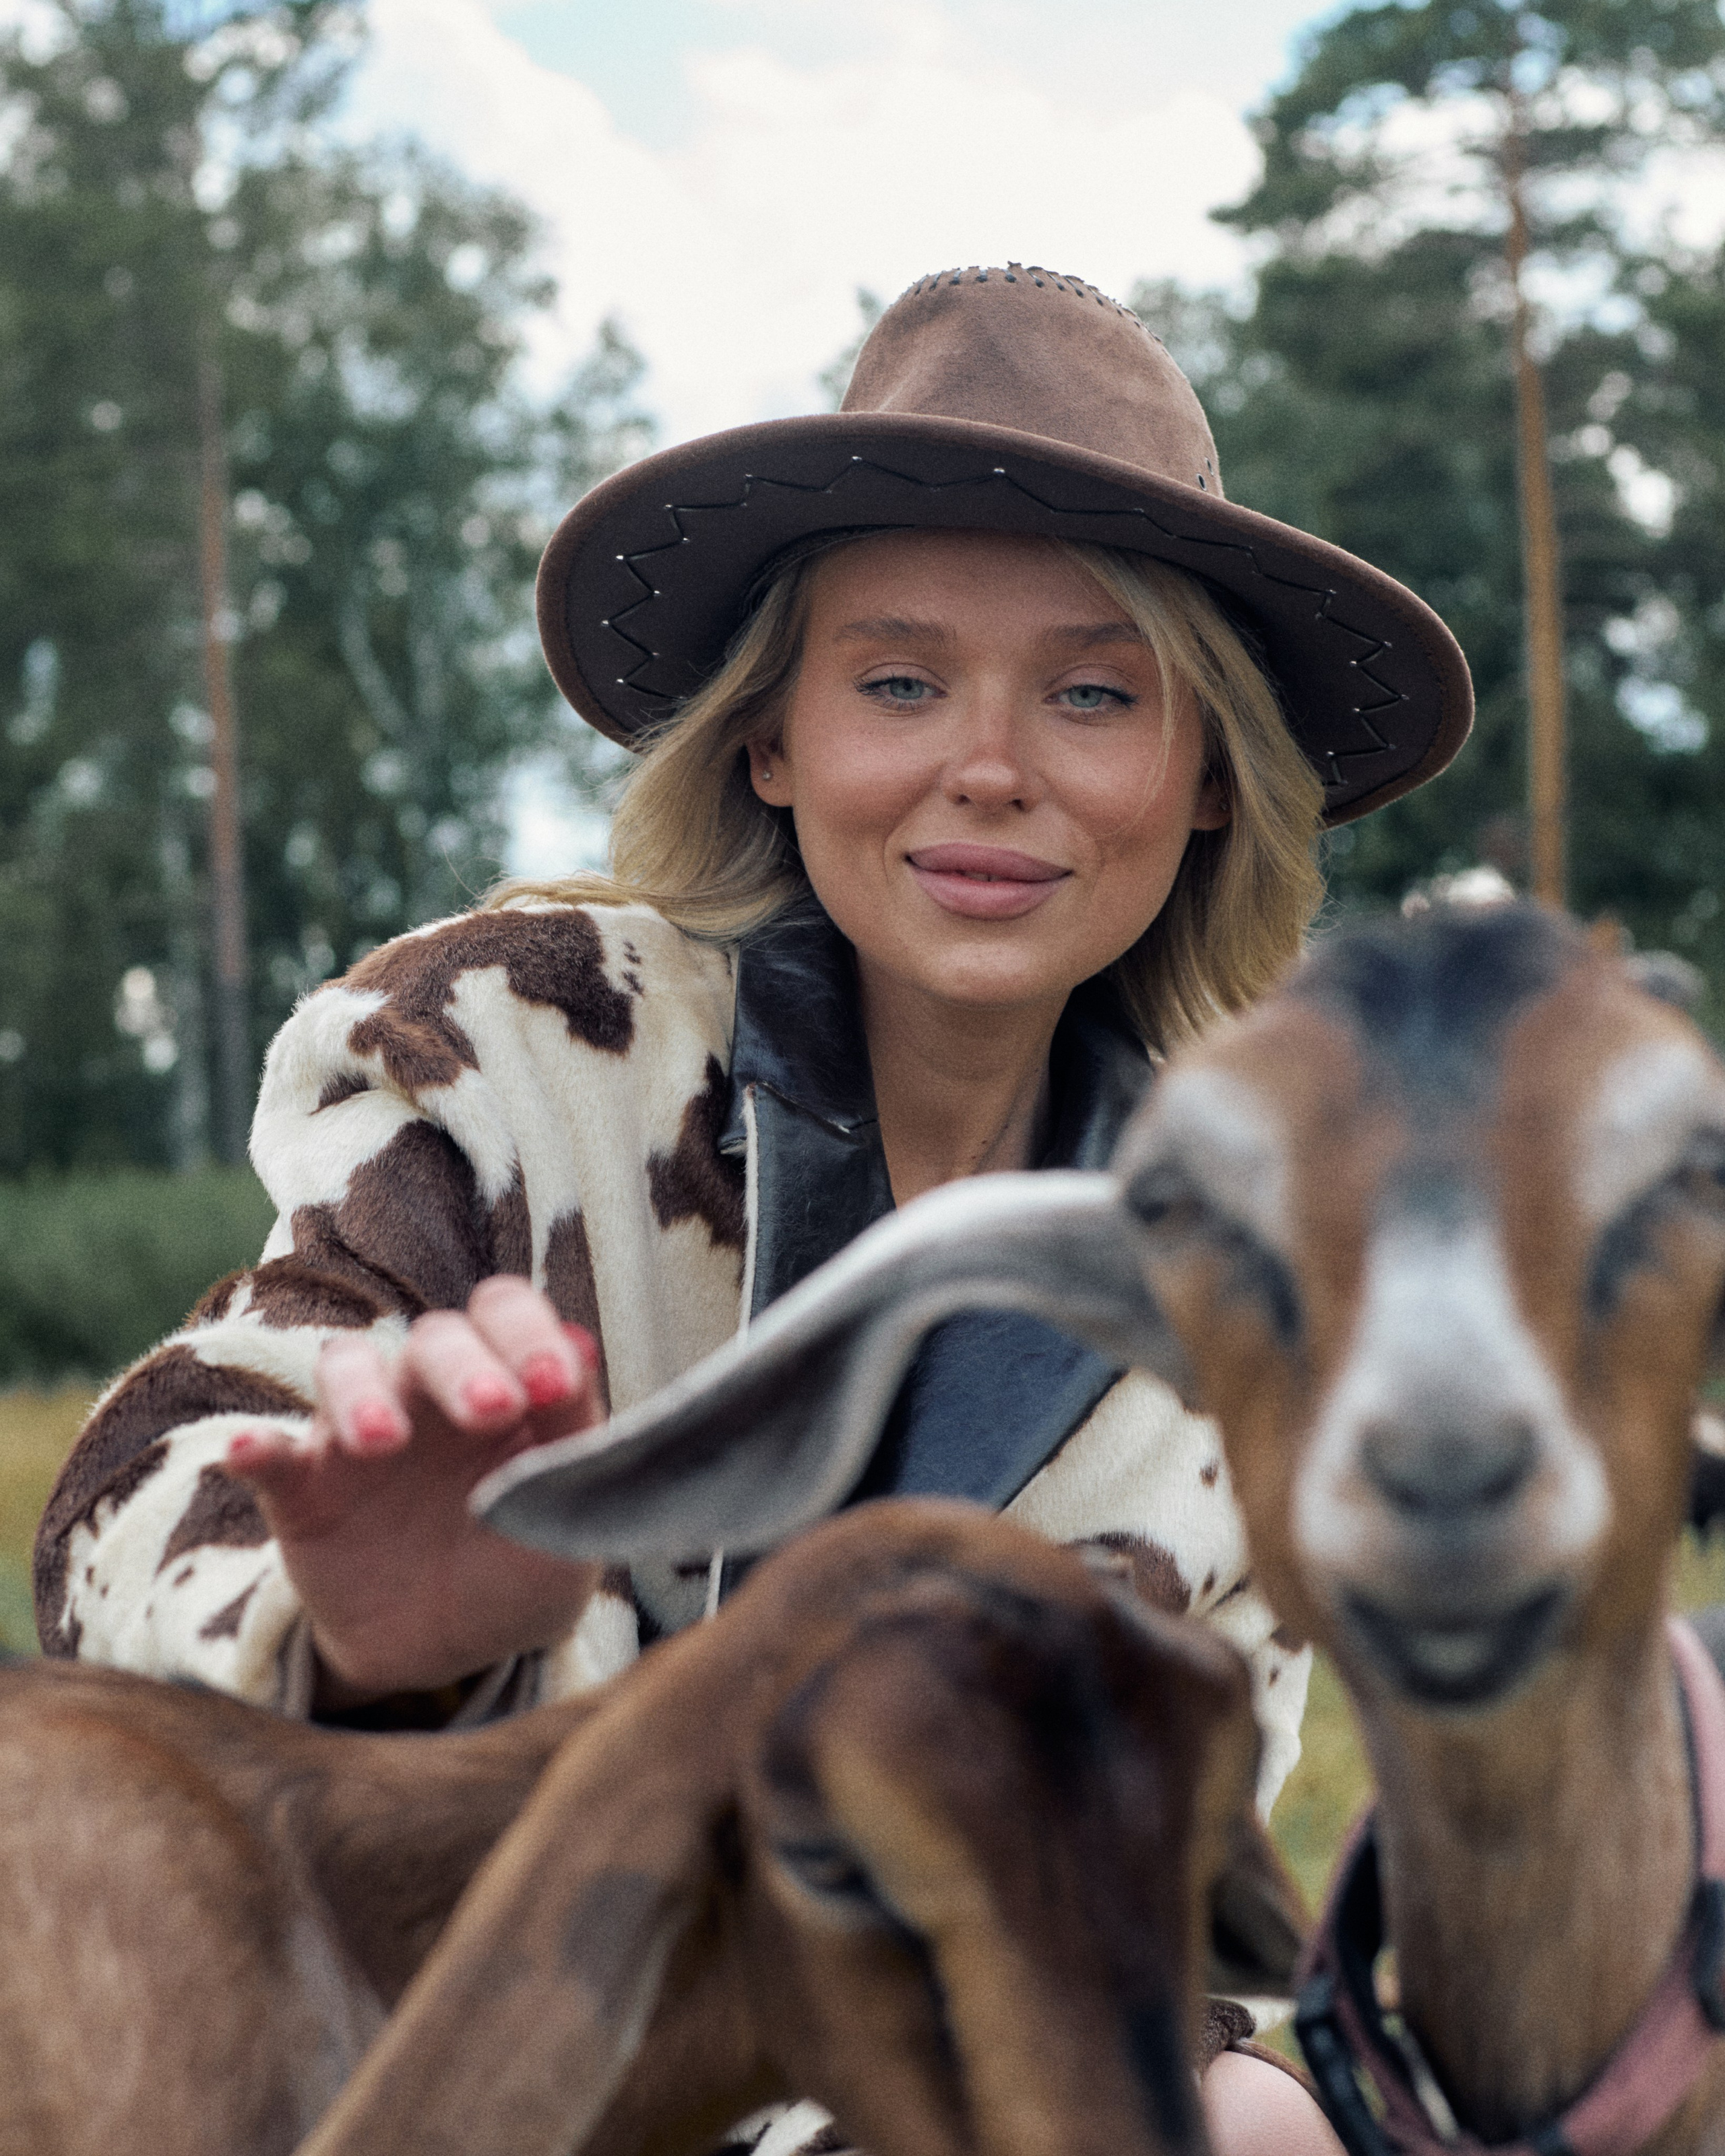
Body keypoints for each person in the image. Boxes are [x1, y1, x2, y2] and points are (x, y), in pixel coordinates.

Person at [35, 264, 1470, 2152]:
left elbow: (1164, 1910)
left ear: (1207, 775)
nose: (990, 764)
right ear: (772, 738)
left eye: (1096, 692)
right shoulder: (517, 1053)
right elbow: (123, 1521)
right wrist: (364, 1633)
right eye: (897, 679)